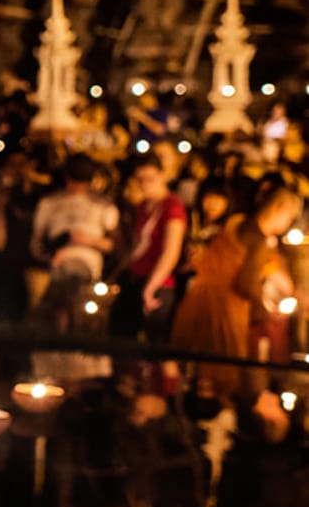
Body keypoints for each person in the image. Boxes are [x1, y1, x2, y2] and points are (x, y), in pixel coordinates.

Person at [171, 185, 302, 402]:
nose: (287, 225)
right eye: (288, 218)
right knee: (221, 369)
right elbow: (246, 283)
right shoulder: (259, 240)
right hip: (225, 308)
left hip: (197, 298)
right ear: (279, 208)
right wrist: (261, 308)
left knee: (193, 364)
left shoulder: (239, 222)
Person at [29, 154, 117, 333]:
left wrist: (89, 240)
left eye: (82, 182)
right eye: (74, 181)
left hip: (89, 268)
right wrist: (46, 256)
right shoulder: (49, 203)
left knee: (77, 294)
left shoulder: (103, 206)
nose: (77, 187)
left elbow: (113, 246)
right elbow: (36, 243)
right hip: (57, 263)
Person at [110, 154, 187, 345]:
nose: (145, 184)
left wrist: (151, 287)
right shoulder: (144, 206)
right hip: (135, 277)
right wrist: (117, 273)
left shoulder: (172, 207)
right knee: (119, 336)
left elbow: (171, 252)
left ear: (162, 175)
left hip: (158, 283)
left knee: (152, 344)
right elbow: (138, 245)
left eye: (150, 179)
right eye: (140, 179)